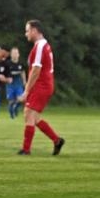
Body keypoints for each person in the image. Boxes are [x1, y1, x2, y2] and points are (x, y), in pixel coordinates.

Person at [17, 20, 65, 155]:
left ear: (34, 30)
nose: (26, 33)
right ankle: (57, 140)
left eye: (27, 30)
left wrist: (26, 90)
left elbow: (36, 69)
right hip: (43, 84)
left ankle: (26, 150)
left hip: (42, 85)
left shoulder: (39, 46)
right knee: (34, 117)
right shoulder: (43, 45)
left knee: (28, 113)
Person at [5, 47, 26, 119]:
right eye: (13, 53)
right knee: (11, 101)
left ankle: (16, 108)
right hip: (10, 85)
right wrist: (6, 79)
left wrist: (24, 81)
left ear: (18, 55)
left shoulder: (21, 64)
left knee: (21, 99)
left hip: (18, 84)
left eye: (16, 53)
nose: (15, 55)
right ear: (11, 55)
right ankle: (11, 114)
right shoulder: (7, 64)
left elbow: (22, 72)